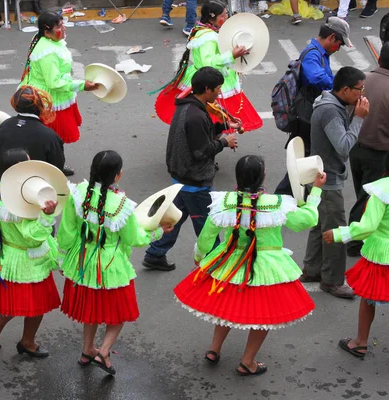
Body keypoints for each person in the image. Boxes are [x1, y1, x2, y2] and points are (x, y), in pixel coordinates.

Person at [175, 155, 325, 376]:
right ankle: (247, 362)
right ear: (263, 177)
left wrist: (199, 256)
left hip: (230, 263)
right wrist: (316, 192)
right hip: (266, 268)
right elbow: (308, 220)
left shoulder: (225, 201)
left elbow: (207, 236)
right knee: (261, 315)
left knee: (225, 307)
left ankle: (214, 349)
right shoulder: (277, 204)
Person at [58, 150, 174, 375]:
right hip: (110, 266)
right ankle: (103, 352)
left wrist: (64, 258)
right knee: (120, 313)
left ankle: (87, 350)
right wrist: (159, 231)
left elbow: (67, 232)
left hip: (82, 261)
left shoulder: (79, 193)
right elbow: (134, 238)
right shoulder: (122, 204)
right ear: (118, 175)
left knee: (90, 310)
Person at [142, 67, 239, 272]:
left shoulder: (188, 106)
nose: (220, 93)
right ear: (207, 89)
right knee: (207, 228)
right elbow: (200, 151)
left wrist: (224, 127)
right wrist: (224, 142)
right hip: (195, 180)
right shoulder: (196, 115)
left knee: (175, 218)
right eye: (218, 89)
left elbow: (201, 135)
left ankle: (155, 254)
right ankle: (216, 263)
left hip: (181, 176)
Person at [0, 149, 61, 357]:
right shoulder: (21, 201)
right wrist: (46, 217)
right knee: (36, 306)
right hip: (28, 260)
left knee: (16, 300)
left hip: (9, 255)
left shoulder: (0, 188)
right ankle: (28, 342)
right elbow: (31, 237)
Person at [302, 66, 369, 299]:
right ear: (345, 89)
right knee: (336, 231)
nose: (362, 95)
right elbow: (343, 145)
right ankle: (332, 280)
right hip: (327, 180)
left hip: (320, 174)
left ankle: (312, 269)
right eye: (359, 90)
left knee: (319, 225)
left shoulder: (332, 103)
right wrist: (358, 119)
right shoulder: (331, 111)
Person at [154, 0, 261, 132]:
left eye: (226, 14)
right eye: (223, 16)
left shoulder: (208, 29)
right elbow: (207, 63)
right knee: (214, 114)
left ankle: (210, 137)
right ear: (212, 18)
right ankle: (209, 140)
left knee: (214, 115)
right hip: (210, 81)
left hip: (212, 77)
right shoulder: (208, 37)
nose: (226, 18)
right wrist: (231, 56)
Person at [275, 17, 350, 195]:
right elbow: (317, 78)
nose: (338, 48)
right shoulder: (312, 54)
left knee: (308, 158)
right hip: (307, 116)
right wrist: (339, 86)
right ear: (331, 37)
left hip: (311, 113)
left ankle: (302, 194)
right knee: (304, 158)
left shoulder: (321, 53)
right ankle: (281, 196)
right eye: (339, 44)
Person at [323, 158, 389, 359]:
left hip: (382, 255)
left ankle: (360, 342)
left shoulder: (383, 190)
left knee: (369, 298)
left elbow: (368, 226)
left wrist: (339, 234)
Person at [19, 11, 99, 177]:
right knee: (49, 137)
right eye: (59, 26)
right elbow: (54, 83)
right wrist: (82, 85)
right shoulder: (47, 53)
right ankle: (46, 169)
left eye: (63, 24)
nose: (63, 29)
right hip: (49, 99)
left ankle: (56, 164)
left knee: (56, 137)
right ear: (47, 31)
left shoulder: (49, 40)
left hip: (58, 96)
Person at [345, 43, 389, 257]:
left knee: (363, 194)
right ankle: (354, 241)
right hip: (378, 154)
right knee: (367, 198)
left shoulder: (363, 81)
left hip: (355, 147)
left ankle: (363, 234)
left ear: (379, 59)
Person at [0, 86, 64, 184]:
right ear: (40, 106)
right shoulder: (50, 135)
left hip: (6, 186)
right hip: (37, 190)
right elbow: (57, 169)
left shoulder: (3, 126)